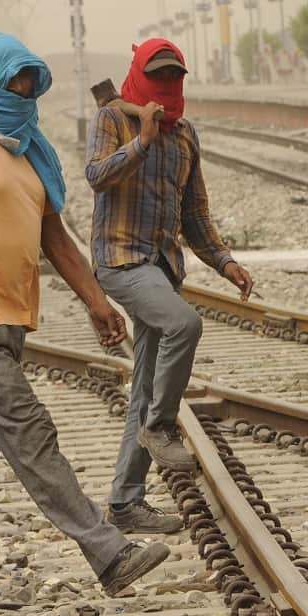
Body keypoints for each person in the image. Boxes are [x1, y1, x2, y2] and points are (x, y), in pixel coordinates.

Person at [0, 33, 169, 613]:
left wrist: (97, 302)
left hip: (9, 321)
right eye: (11, 80)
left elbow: (55, 237)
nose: (22, 90)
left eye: (29, 81)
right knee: (31, 432)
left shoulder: (25, 148)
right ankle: (108, 551)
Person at [86, 38, 254, 534]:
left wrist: (225, 262)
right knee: (185, 323)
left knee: (143, 386)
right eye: (156, 76)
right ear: (138, 75)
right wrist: (141, 136)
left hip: (161, 267)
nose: (165, 85)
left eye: (173, 77)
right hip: (120, 260)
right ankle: (161, 427)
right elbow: (96, 176)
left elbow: (194, 213)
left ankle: (125, 502)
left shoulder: (184, 136)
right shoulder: (113, 119)